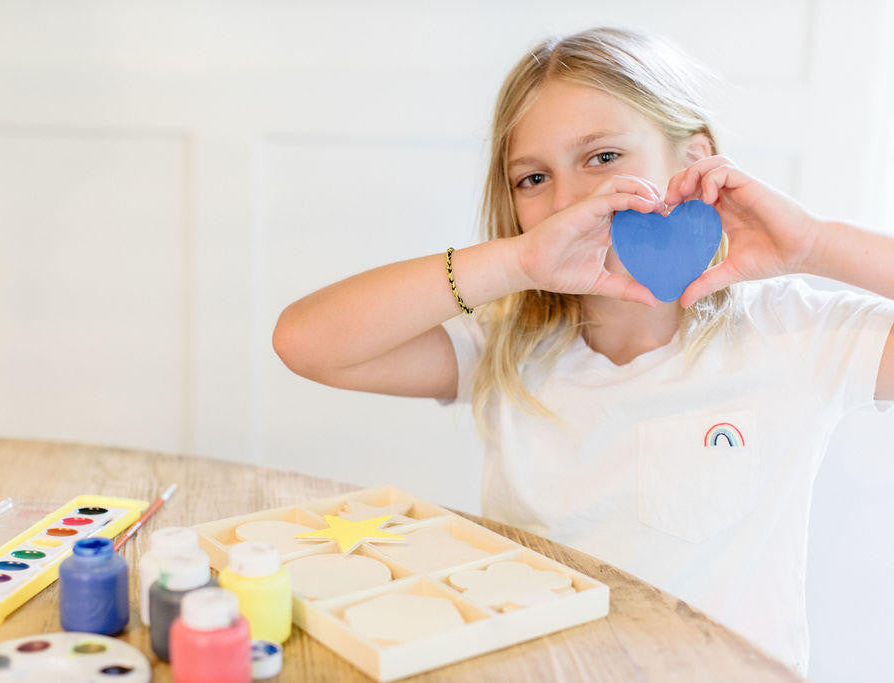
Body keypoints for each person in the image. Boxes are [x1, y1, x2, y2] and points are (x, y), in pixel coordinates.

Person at [271, 27, 894, 675]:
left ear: (695, 160)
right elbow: (305, 341)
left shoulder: (793, 332)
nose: (568, 200)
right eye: (533, 178)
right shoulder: (506, 341)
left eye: (601, 157)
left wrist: (814, 243)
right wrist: (514, 260)